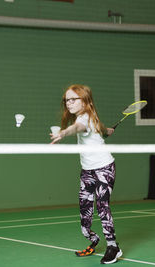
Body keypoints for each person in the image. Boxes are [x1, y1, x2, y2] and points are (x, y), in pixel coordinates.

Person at [50, 84, 122, 264]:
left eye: (74, 99)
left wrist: (65, 132)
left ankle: (113, 246)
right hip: (87, 171)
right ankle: (93, 239)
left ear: (85, 100)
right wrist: (107, 131)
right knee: (85, 209)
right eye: (67, 99)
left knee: (102, 206)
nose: (69, 103)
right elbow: (100, 128)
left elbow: (78, 128)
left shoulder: (84, 119)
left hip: (104, 168)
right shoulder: (91, 118)